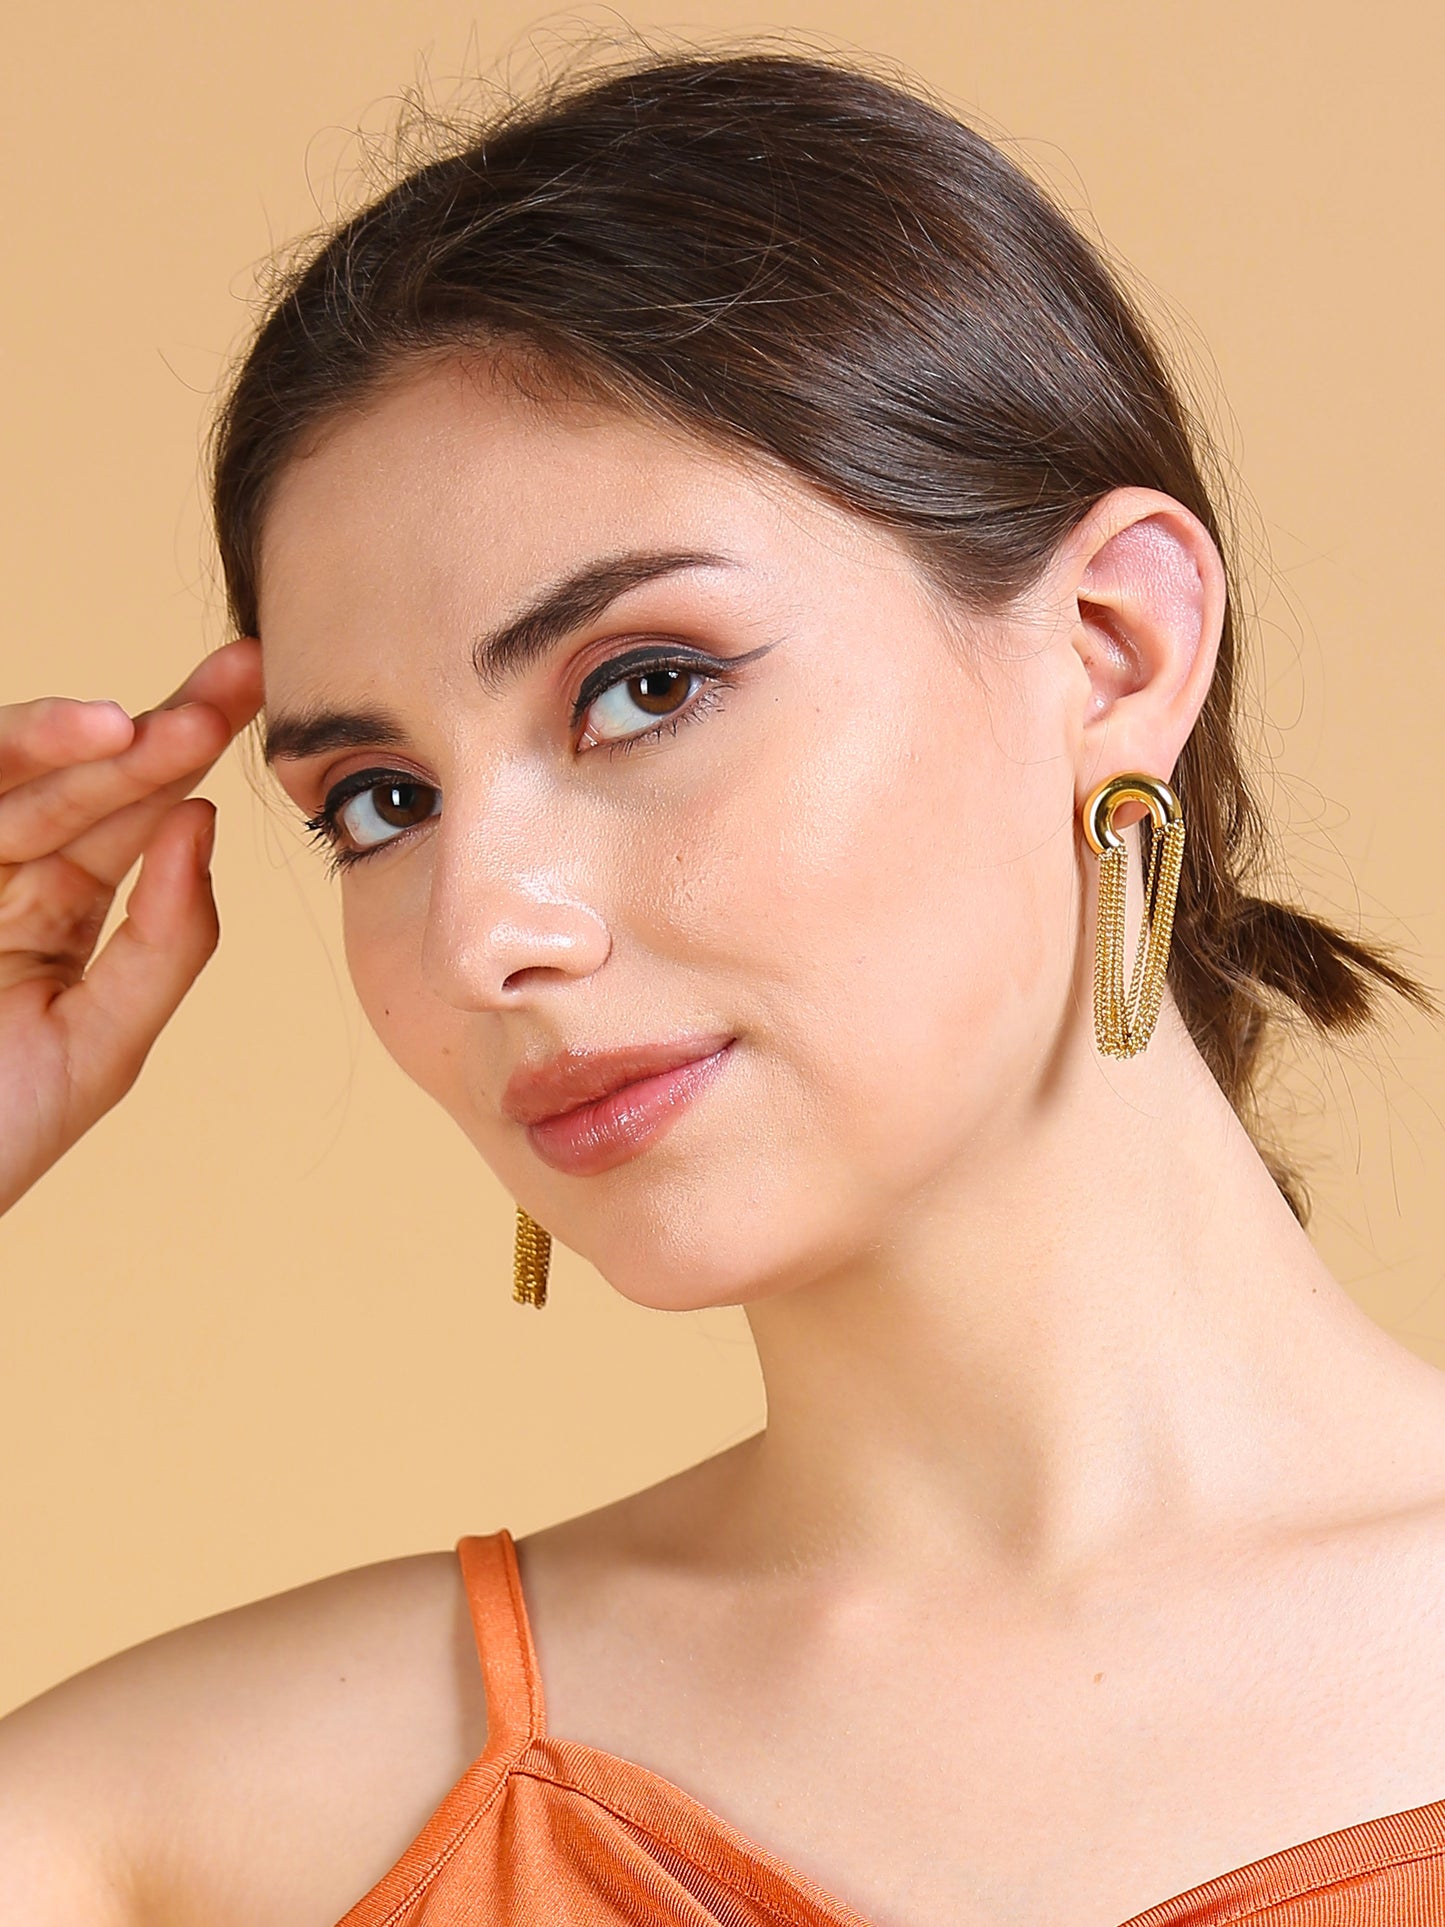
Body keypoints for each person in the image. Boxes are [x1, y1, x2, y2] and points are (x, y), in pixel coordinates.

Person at [1, 43, 1442, 1927]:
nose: (480, 931)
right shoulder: (176, 1824)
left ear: (1110, 648)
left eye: (642, 687)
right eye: (382, 801)